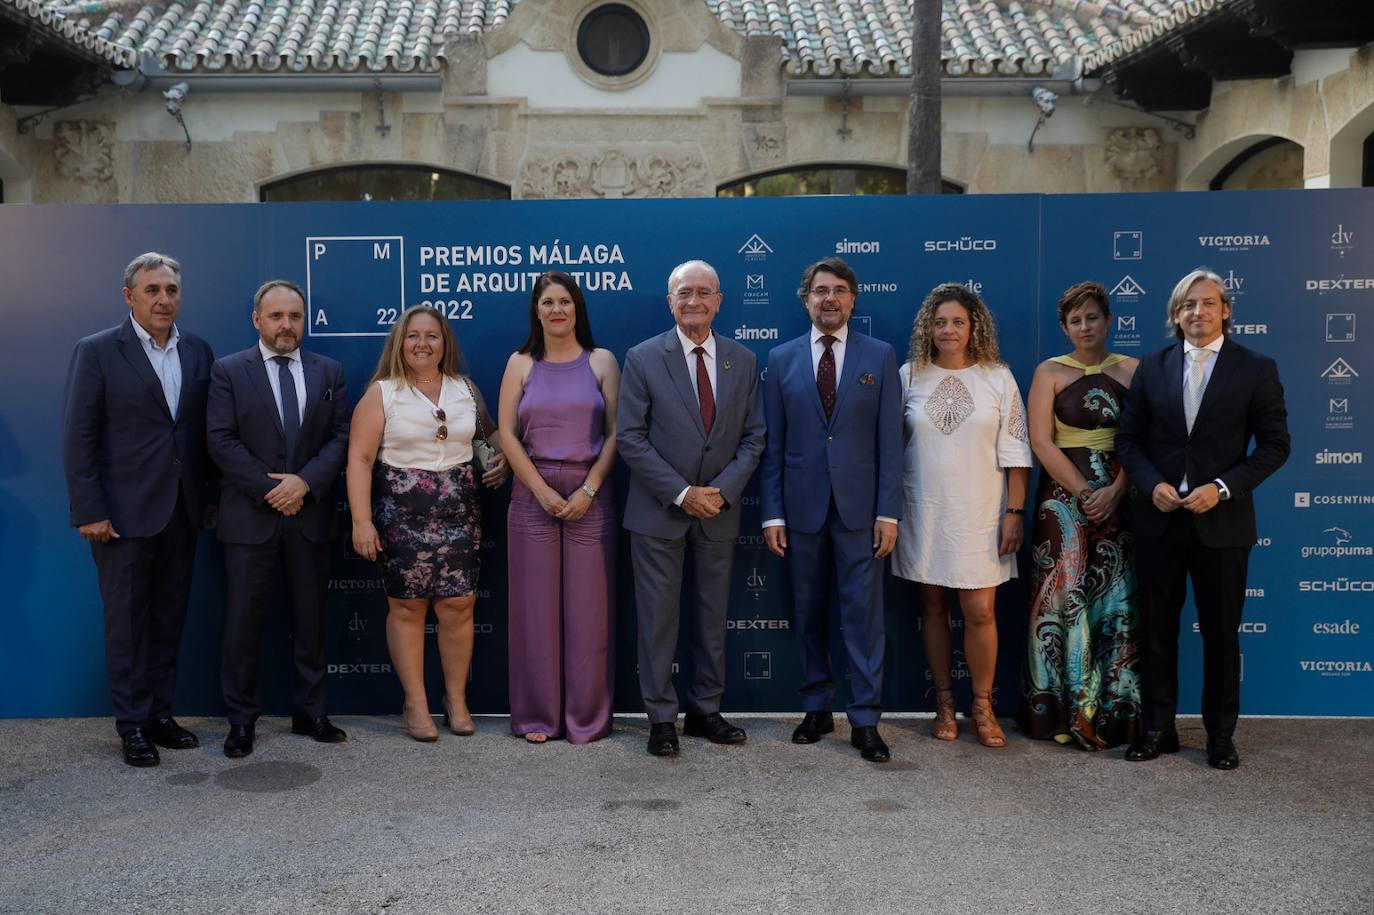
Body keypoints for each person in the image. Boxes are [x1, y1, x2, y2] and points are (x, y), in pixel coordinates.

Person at [1116, 268, 1289, 770]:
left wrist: (1222, 488)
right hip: (1159, 522)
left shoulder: (1256, 368)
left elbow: (1276, 445)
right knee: (1156, 632)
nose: (1199, 312)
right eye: (1188, 305)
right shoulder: (1152, 367)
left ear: (1226, 310)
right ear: (1175, 314)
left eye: (1208, 303)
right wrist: (1152, 486)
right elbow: (1128, 440)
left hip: (1223, 524)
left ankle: (1220, 736)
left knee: (1220, 633)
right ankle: (1157, 729)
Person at [61, 252, 216, 767]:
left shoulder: (198, 350)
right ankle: (131, 726)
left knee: (170, 617)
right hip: (121, 518)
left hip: (182, 510)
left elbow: (199, 436)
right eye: (152, 290)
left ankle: (159, 715)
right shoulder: (99, 351)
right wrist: (89, 508)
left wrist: (208, 501)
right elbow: (78, 437)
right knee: (127, 623)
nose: (163, 299)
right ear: (130, 297)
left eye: (171, 289)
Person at [618, 260, 766, 758]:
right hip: (661, 511)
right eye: (684, 293)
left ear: (719, 301)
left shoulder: (743, 360)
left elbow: (754, 436)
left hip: (719, 511)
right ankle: (661, 717)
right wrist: (683, 492)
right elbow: (631, 439)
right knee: (658, 620)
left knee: (710, 615)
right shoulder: (641, 358)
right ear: (670, 302)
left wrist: (721, 491)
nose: (694, 301)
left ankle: (705, 710)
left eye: (704, 292)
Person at [761, 257, 902, 763]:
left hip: (861, 513)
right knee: (808, 612)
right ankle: (817, 707)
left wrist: (889, 512)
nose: (830, 299)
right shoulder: (779, 359)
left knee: (863, 618)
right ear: (806, 299)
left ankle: (865, 719)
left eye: (840, 290)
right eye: (821, 290)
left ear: (853, 300)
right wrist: (772, 514)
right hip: (800, 512)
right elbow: (773, 443)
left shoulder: (880, 356)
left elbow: (891, 441)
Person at [346, 305, 508, 741]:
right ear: (400, 342)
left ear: (445, 343)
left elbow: (487, 434)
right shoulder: (382, 393)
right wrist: (361, 521)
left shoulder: (465, 389)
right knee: (407, 608)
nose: (422, 343)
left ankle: (455, 700)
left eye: (431, 336)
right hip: (401, 519)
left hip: (460, 514)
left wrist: (504, 457)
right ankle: (415, 702)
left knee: (459, 607)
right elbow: (359, 460)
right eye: (413, 336)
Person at [207, 279, 350, 759]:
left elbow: (340, 438)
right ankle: (241, 721)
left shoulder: (329, 371)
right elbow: (221, 440)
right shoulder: (228, 371)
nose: (286, 325)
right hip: (250, 518)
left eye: (294, 316)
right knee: (243, 624)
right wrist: (274, 490)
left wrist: (304, 483)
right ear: (257, 320)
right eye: (276, 316)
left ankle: (311, 713)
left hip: (309, 518)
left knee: (310, 622)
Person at [891, 283, 1032, 749]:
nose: (948, 330)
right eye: (939, 322)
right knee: (932, 607)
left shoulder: (998, 377)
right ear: (927, 329)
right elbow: (889, 446)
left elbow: (1015, 451)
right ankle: (945, 705)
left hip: (982, 513)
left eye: (957, 322)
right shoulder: (909, 375)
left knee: (980, 609)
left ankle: (983, 707)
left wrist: (1014, 511)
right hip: (925, 509)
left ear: (974, 328)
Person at [1018, 282, 1141, 750]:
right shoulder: (1048, 372)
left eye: (1092, 317)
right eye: (1075, 320)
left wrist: (1117, 490)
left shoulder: (1134, 370)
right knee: (1063, 599)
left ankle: (1116, 715)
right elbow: (1042, 441)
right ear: (1064, 327)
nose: (1084, 327)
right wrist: (1087, 491)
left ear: (1108, 321)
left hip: (1123, 497)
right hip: (1061, 501)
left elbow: (1145, 438)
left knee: (1117, 601)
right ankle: (1063, 712)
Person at [498, 272, 620, 744]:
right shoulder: (520, 363)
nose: (556, 310)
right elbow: (507, 433)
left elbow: (616, 433)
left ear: (577, 309)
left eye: (565, 302)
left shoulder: (603, 362)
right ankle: (537, 717)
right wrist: (540, 490)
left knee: (590, 612)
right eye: (547, 302)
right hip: (533, 491)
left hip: (591, 490)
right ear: (536, 310)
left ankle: (586, 719)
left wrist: (588, 489)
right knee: (534, 611)